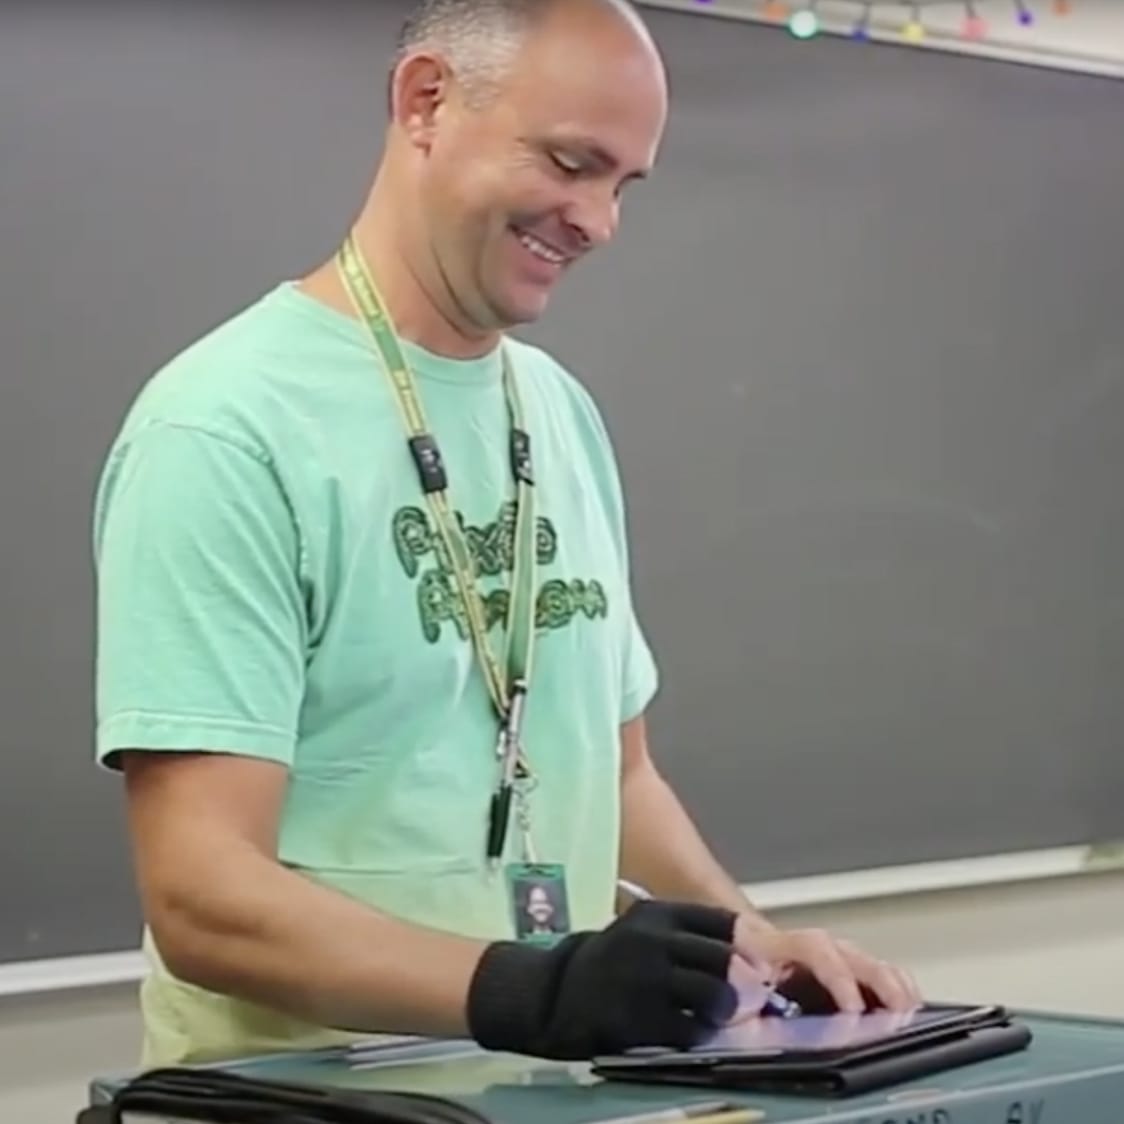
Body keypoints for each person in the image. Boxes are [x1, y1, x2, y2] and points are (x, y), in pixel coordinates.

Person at [92, 0, 921, 1069]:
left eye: (621, 184)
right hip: (306, 1094)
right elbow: (202, 893)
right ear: (425, 101)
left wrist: (744, 939)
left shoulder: (556, 412)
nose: (598, 220)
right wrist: (527, 989)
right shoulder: (225, 424)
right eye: (572, 162)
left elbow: (614, 775)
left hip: (545, 1087)